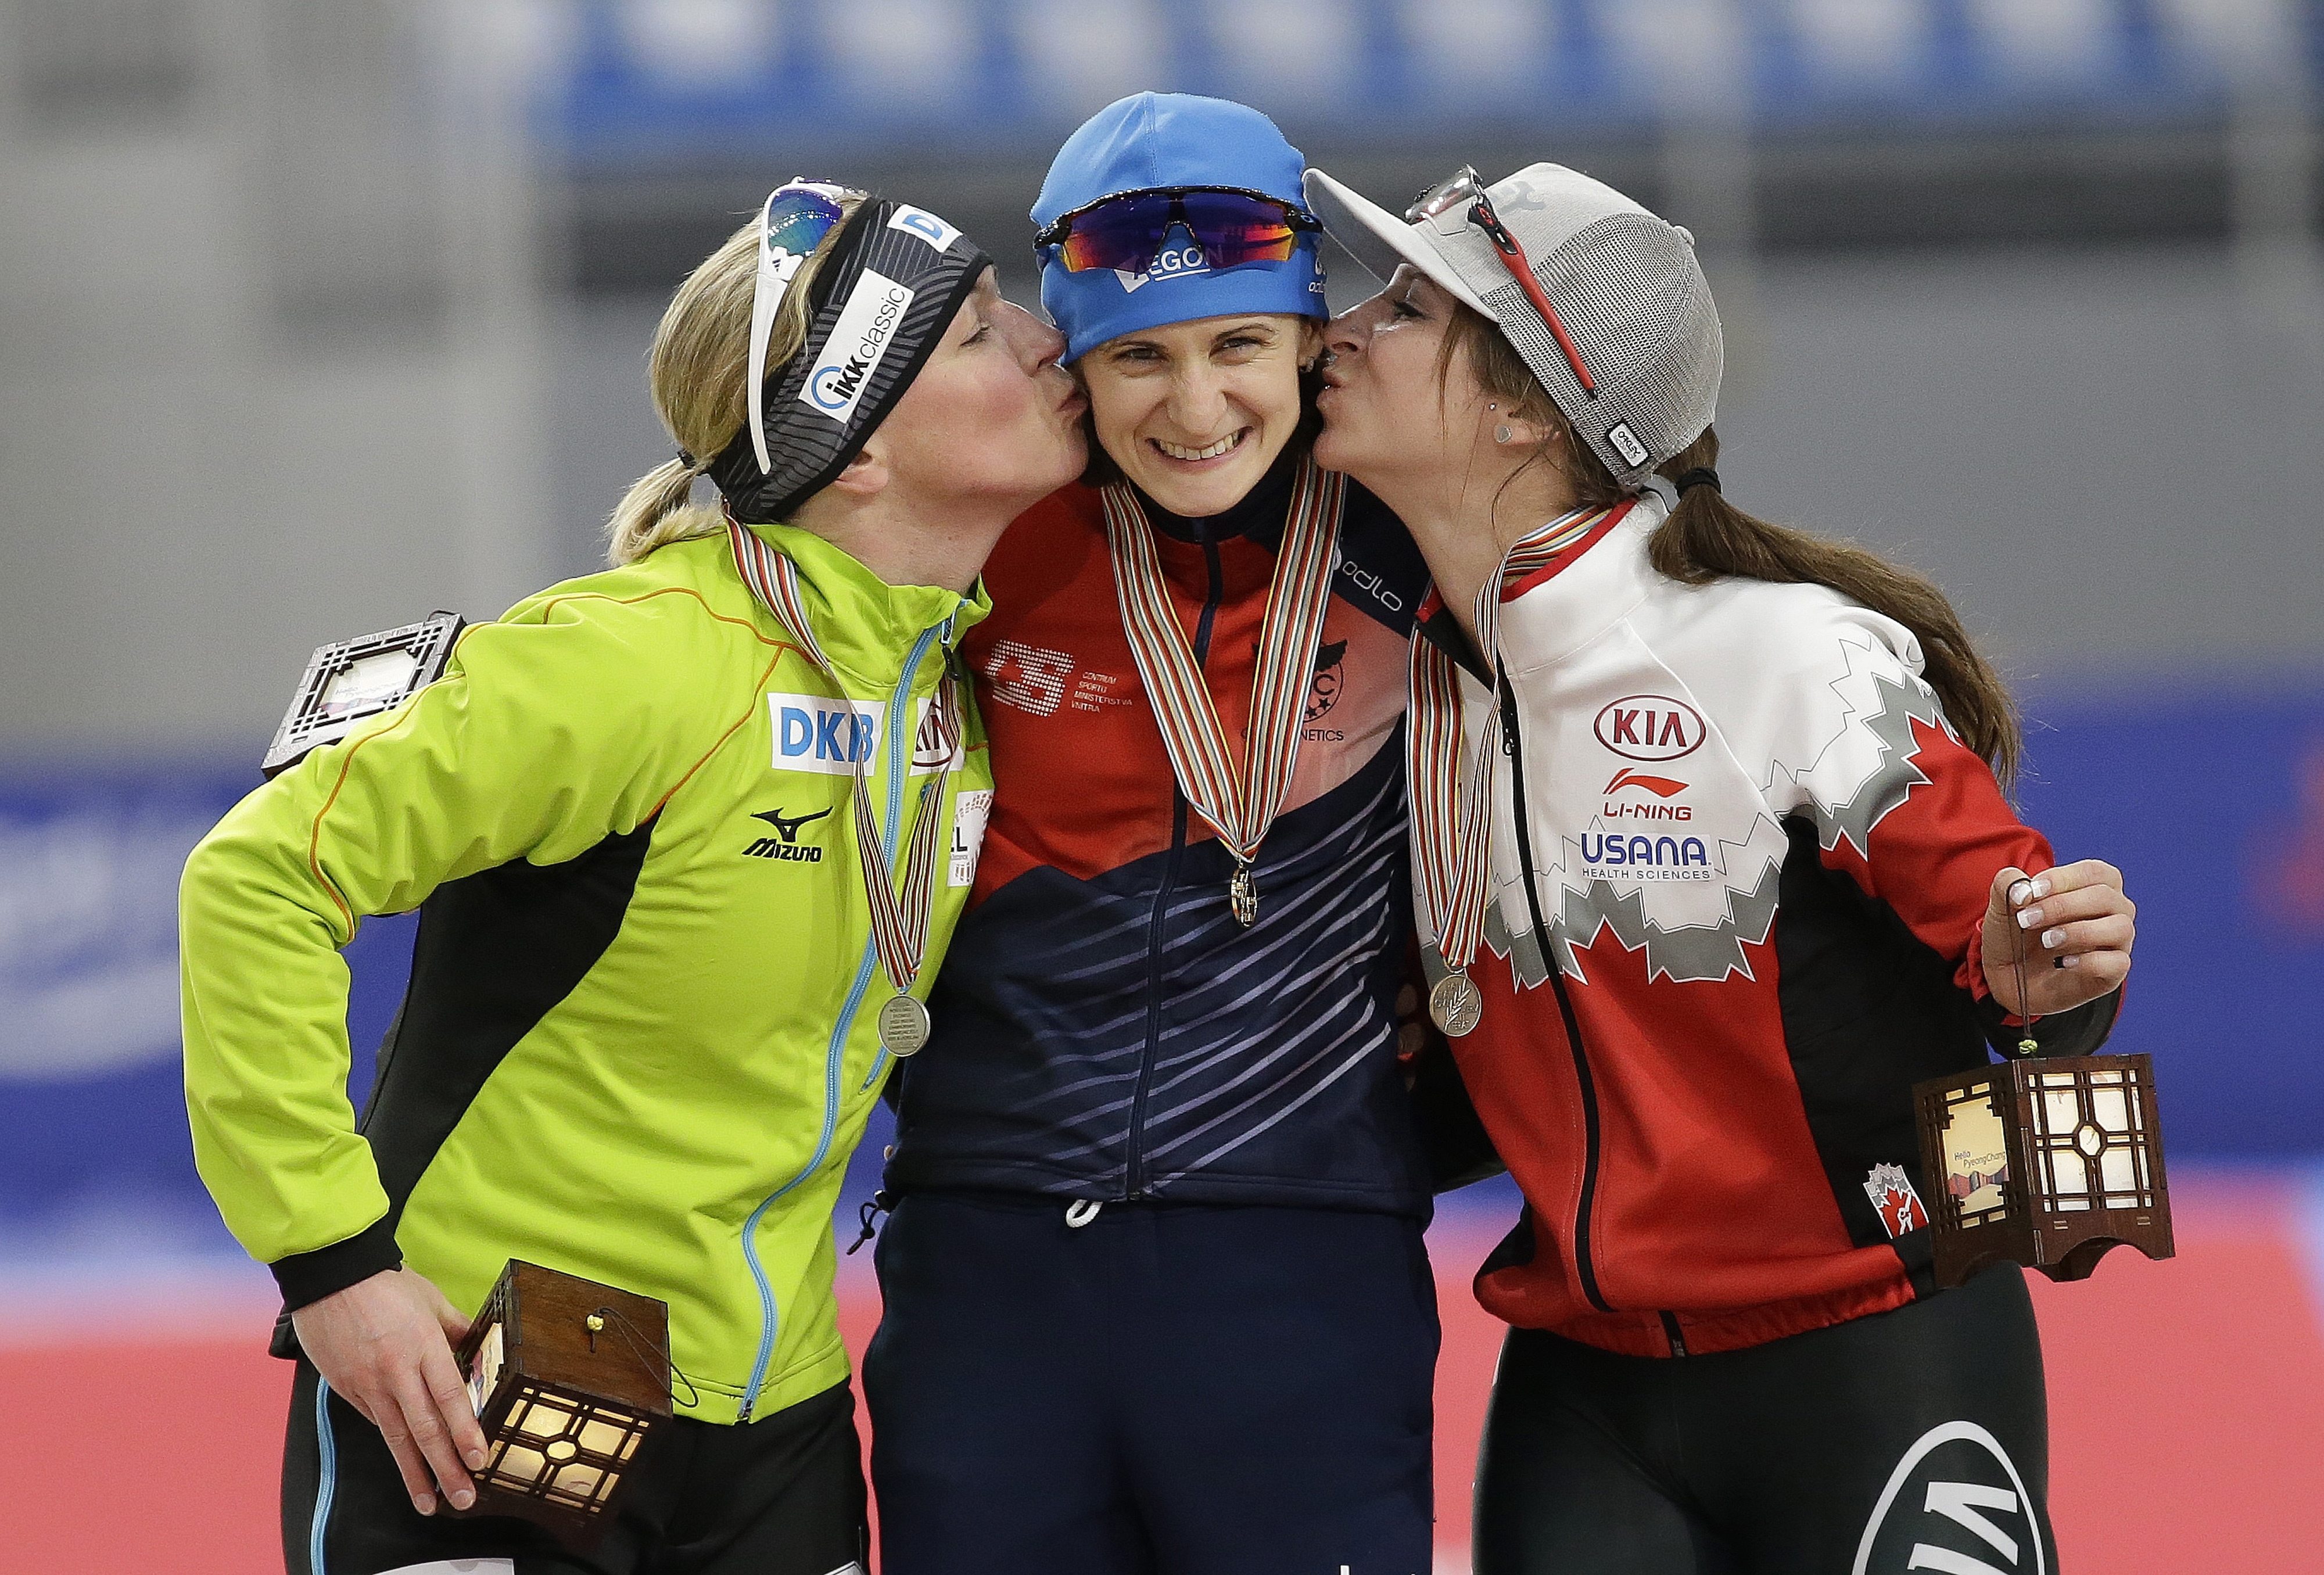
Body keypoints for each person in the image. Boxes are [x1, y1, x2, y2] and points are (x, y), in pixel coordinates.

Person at [178, 180, 1085, 1575]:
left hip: (770, 1416)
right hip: (486, 1391)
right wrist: (335, 1270)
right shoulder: (634, 659)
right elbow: (255, 880)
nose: (1041, 341)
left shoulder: (941, 704)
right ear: (854, 449)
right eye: (972, 334)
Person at [1301, 160, 2137, 1573]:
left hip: (1882, 1358)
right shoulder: (1407, 680)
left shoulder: (1780, 650)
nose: (1341, 326)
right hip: (1590, 1386)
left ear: (1521, 406)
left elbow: (2028, 970)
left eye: (1403, 306)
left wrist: (2045, 978)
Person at [861, 94, 1443, 1574]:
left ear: (1311, 339)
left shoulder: (1417, 522)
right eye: (1139, 357)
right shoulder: (987, 531)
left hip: (1304, 1246)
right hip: (989, 1251)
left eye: (1236, 345)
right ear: (1071, 365)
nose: (1194, 410)